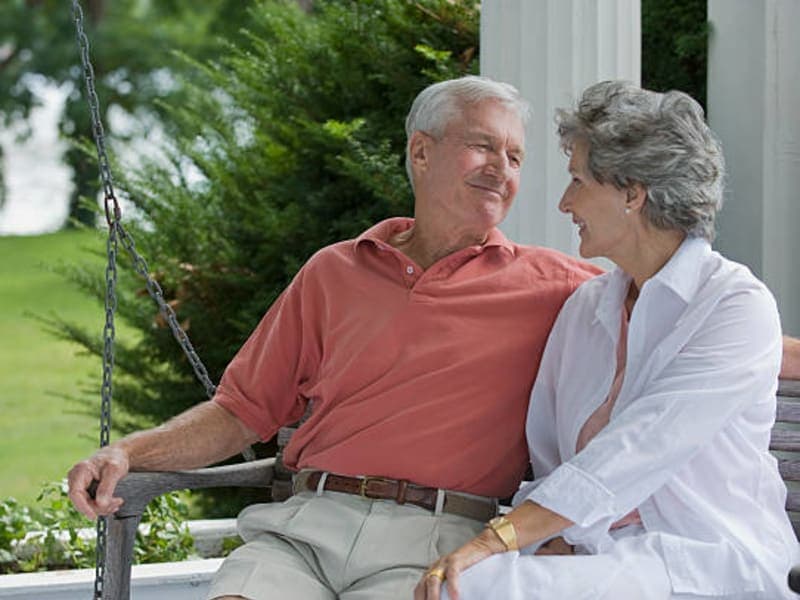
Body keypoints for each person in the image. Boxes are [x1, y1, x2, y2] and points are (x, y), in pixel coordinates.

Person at [67, 75, 603, 600]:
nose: (501, 169)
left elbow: (664, 293)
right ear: (421, 153)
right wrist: (128, 453)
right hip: (305, 529)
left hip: (437, 542)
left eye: (515, 158)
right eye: (482, 146)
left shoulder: (554, 285)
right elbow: (238, 411)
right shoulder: (334, 271)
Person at [415, 80, 800, 600]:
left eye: (577, 180)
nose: (563, 202)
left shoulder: (734, 305)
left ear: (632, 193)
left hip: (703, 558)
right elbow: (553, 456)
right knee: (466, 584)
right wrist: (547, 537)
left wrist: (498, 539)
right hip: (601, 556)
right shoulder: (583, 309)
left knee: (482, 586)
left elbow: (639, 446)